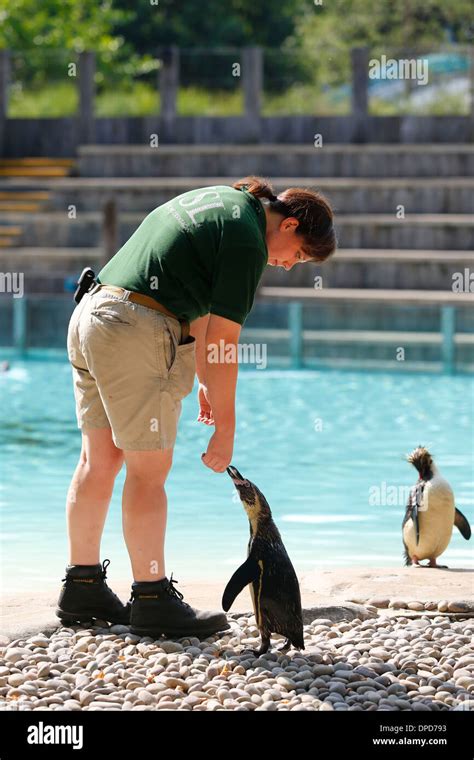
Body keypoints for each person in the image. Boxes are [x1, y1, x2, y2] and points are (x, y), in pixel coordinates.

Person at [56, 176, 336, 638]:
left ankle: (82, 584)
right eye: (298, 256)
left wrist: (206, 384)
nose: (288, 265)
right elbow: (225, 343)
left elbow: (202, 310)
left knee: (98, 460)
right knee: (148, 471)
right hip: (135, 328)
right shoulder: (248, 240)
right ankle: (151, 596)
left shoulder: (226, 203)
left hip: (93, 313)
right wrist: (225, 430)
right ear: (287, 226)